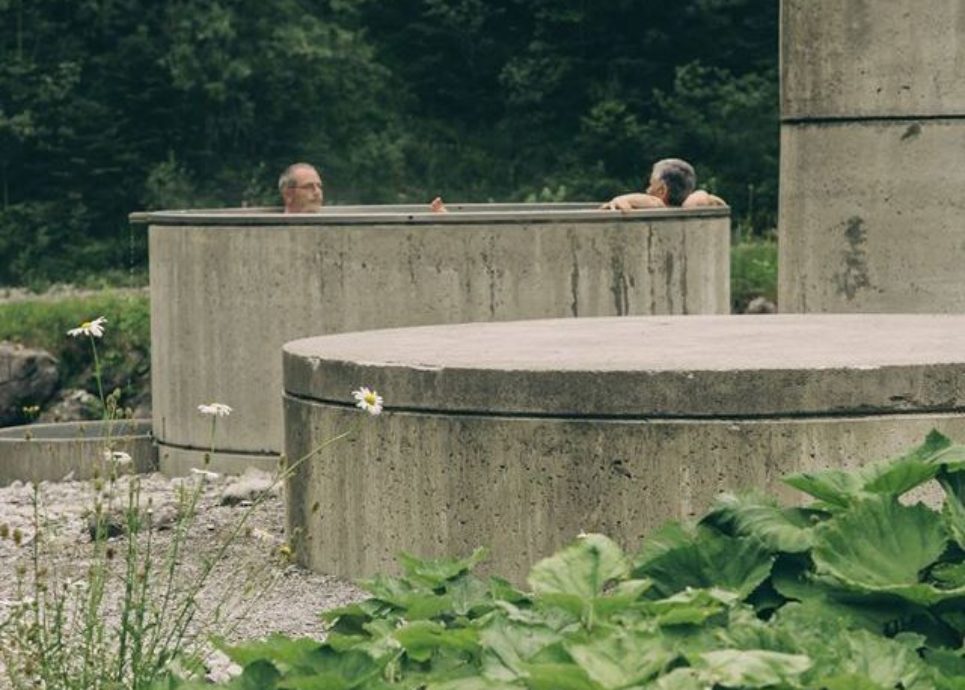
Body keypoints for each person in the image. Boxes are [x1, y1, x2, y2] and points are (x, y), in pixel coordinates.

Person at [601, 158, 725, 211]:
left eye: (651, 185)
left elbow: (656, 203)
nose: (647, 189)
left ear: (662, 190)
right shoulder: (694, 209)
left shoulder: (657, 209)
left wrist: (621, 200)